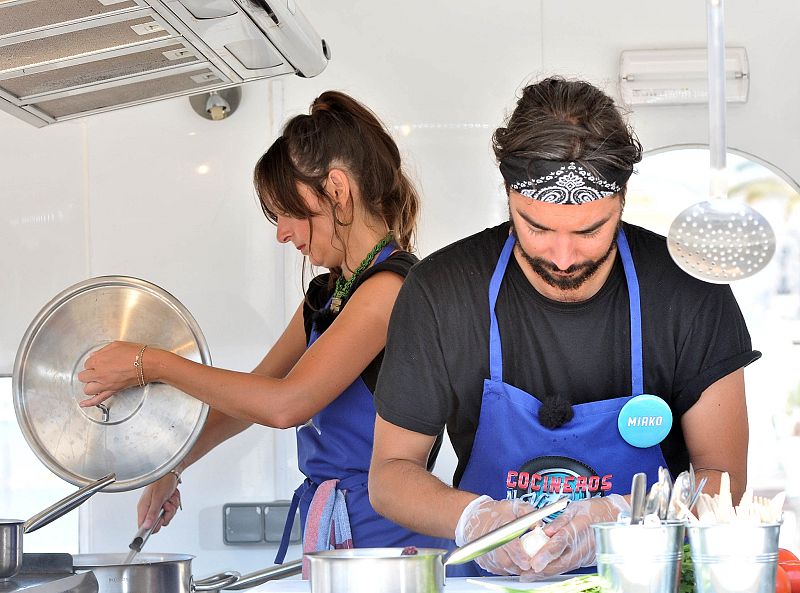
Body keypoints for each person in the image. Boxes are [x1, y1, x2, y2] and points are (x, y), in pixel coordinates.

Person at [368, 76, 759, 579]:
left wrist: (619, 520)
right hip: (493, 586)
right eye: (537, 227)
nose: (563, 256)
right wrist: (475, 521)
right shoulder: (441, 291)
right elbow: (391, 474)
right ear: (509, 195)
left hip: (642, 581)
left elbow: (724, 479)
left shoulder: (690, 293)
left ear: (621, 202)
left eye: (590, 230)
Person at [77, 90, 452, 568]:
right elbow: (257, 394)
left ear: (336, 189)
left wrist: (151, 363)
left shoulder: (390, 288)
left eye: (288, 213)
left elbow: (286, 405)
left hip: (392, 539)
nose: (281, 233)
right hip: (340, 533)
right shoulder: (329, 294)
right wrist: (172, 466)